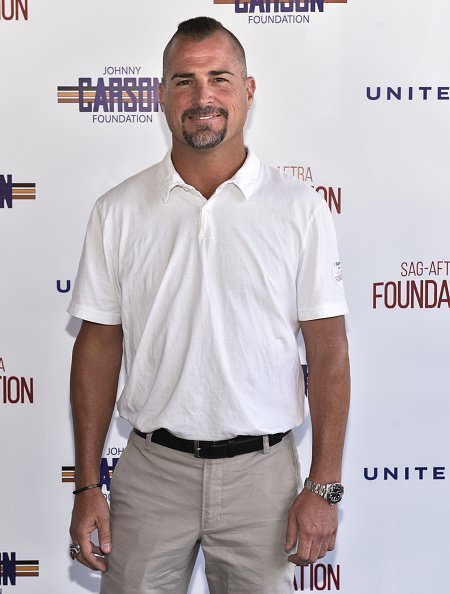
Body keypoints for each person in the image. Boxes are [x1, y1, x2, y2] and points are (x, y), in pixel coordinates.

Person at [68, 16, 350, 594]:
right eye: (184, 81)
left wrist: (323, 485)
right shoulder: (118, 210)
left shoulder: (299, 210)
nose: (203, 98)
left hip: (264, 480)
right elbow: (98, 346)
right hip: (150, 475)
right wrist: (87, 485)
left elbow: (328, 351)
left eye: (220, 79)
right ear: (162, 95)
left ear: (248, 91)